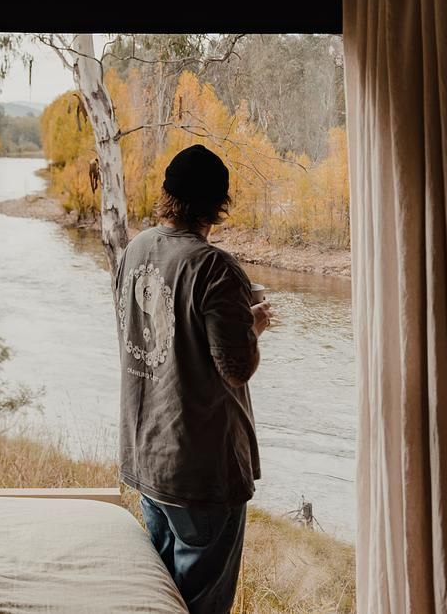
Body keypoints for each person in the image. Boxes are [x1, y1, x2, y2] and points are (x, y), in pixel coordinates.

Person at [114, 144, 272, 614]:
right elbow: (236, 367)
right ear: (219, 203)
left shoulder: (135, 250)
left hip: (147, 457)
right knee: (200, 605)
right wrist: (254, 325)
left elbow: (148, 336)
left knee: (162, 598)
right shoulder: (214, 267)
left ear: (167, 194)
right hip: (199, 469)